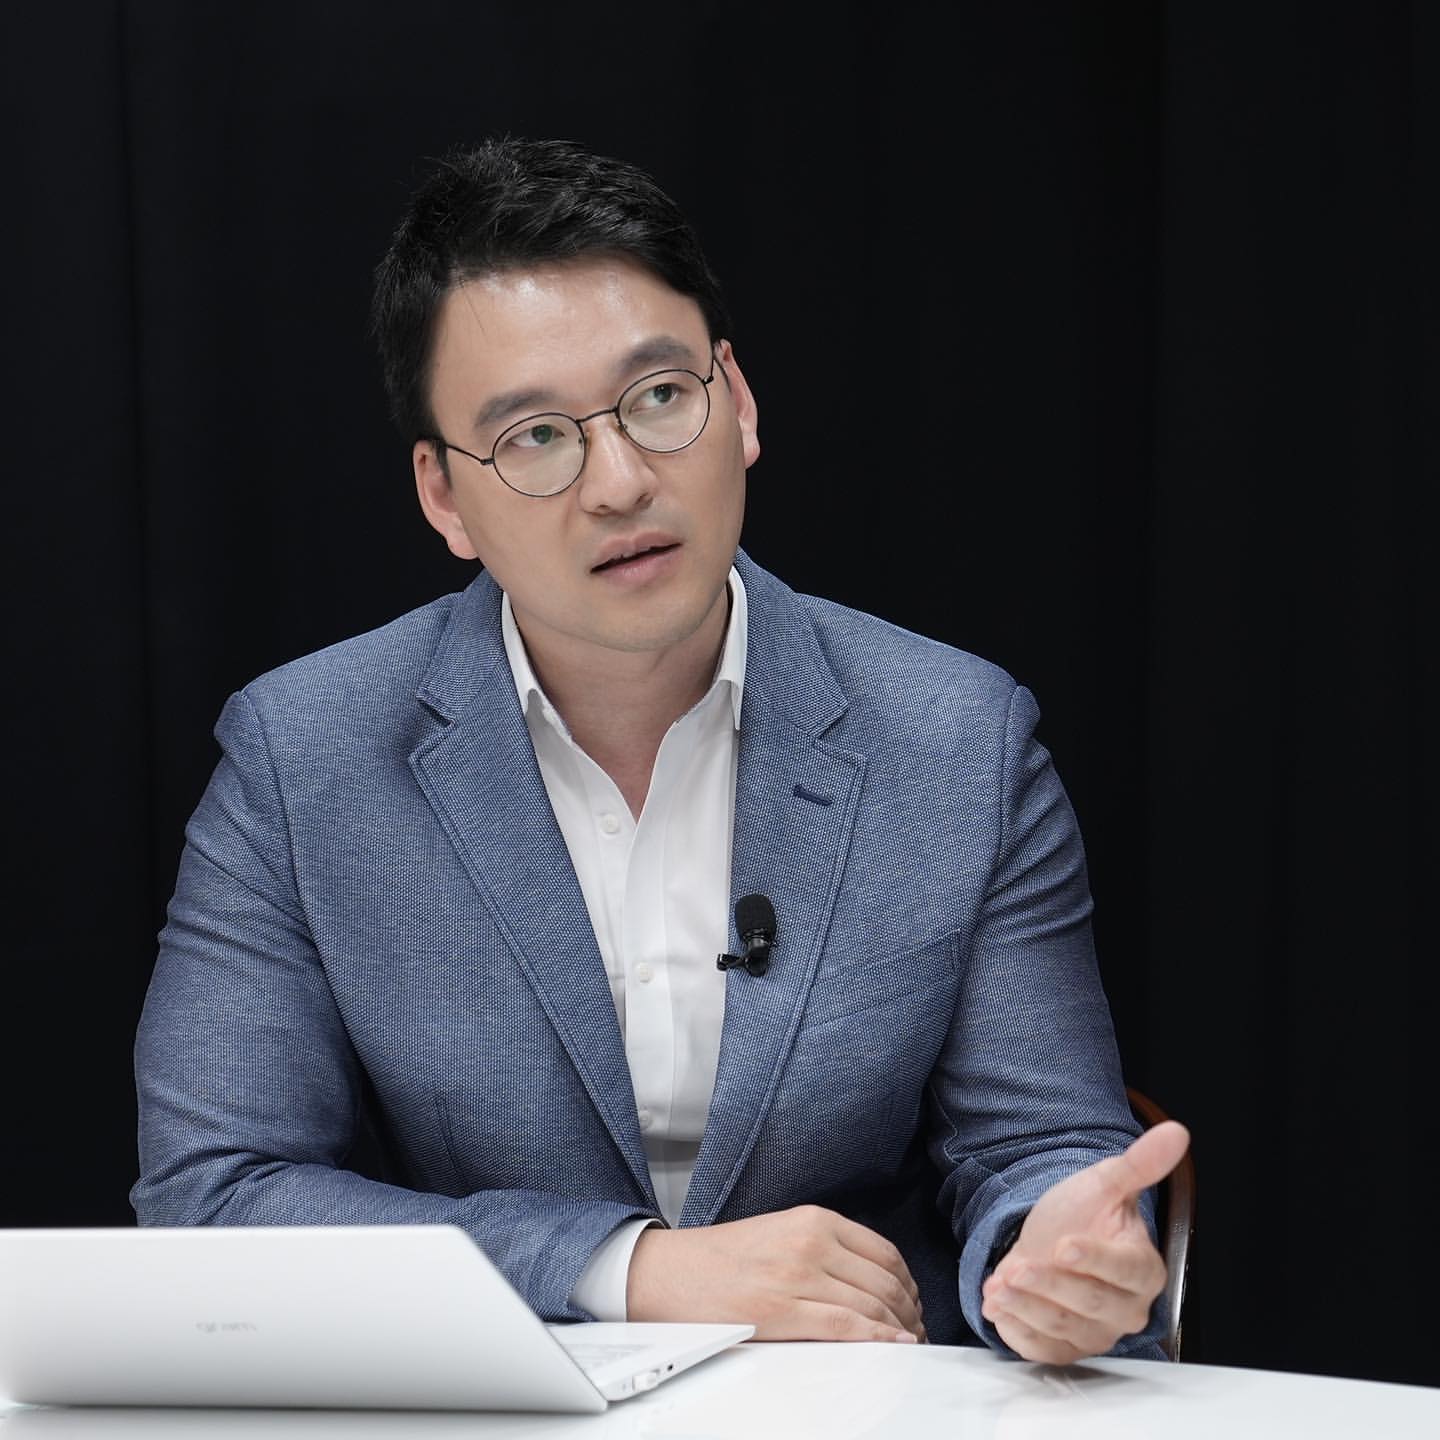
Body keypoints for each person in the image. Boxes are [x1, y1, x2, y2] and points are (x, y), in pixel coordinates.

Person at [132, 136, 1189, 1364]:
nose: (621, 482)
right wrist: (627, 1270)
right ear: (443, 497)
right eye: (535, 437)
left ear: (736, 402)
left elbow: (1038, 1155)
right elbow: (214, 1195)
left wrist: (1048, 1259)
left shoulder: (957, 736)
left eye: (659, 398)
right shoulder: (302, 757)